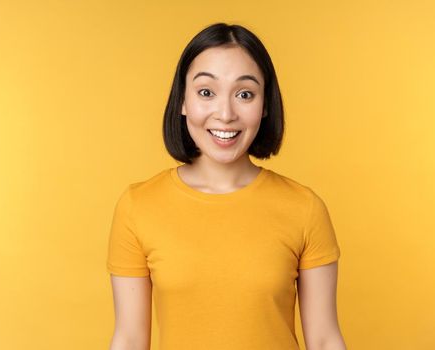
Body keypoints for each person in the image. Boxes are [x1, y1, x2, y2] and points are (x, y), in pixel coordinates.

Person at [106, 23, 346, 350]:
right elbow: (130, 340)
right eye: (206, 92)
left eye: (244, 94)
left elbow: (323, 340)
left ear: (264, 107)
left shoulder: (305, 208)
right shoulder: (138, 205)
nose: (225, 113)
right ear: (183, 101)